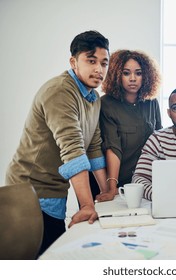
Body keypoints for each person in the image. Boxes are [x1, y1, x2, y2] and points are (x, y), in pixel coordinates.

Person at [5, 30, 111, 256]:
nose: (98, 69)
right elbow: (73, 150)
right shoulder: (60, 91)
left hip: (54, 190)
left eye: (104, 63)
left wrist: (106, 193)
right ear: (74, 62)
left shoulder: (93, 98)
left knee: (54, 256)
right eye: (91, 61)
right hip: (29, 192)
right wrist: (86, 206)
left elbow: (92, 148)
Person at [90, 49, 162, 202]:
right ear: (117, 75)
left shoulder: (152, 102)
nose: (133, 79)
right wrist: (111, 187)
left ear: (146, 76)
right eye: (126, 73)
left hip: (143, 182)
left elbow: (159, 142)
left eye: (138, 73)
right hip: (114, 180)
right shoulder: (106, 104)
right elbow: (112, 148)